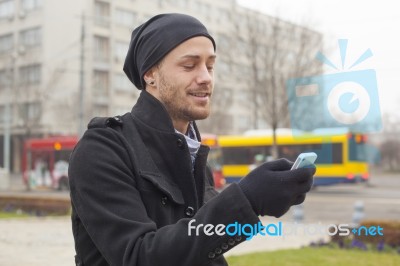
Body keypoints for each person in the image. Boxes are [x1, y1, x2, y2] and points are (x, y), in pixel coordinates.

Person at [69, 13, 316, 266]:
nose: (206, 77)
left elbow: (200, 252)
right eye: (189, 65)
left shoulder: (194, 154)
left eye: (210, 66)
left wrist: (263, 197)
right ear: (150, 74)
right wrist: (247, 200)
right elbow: (138, 256)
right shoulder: (102, 149)